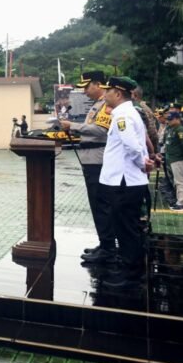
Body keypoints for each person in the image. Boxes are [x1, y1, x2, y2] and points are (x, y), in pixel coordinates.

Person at [98, 76, 154, 288]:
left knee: (125, 227)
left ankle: (131, 274)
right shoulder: (128, 113)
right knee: (128, 225)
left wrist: (142, 164)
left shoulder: (123, 115)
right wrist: (144, 162)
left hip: (124, 181)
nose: (104, 95)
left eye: (108, 91)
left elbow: (131, 146)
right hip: (127, 180)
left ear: (118, 93)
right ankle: (133, 268)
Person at [60, 71, 115, 263]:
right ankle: (105, 243)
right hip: (91, 159)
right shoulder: (97, 105)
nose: (84, 91)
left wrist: (73, 126)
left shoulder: (105, 105)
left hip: (97, 160)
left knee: (101, 204)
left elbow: (100, 131)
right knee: (97, 204)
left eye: (86, 86)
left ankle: (108, 248)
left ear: (98, 84)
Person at [161, 111, 183, 212]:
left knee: (180, 181)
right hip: (171, 159)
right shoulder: (171, 129)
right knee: (175, 181)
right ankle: (179, 200)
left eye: (171, 119)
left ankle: (182, 202)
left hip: (178, 159)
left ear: (177, 119)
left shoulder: (180, 130)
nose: (168, 121)